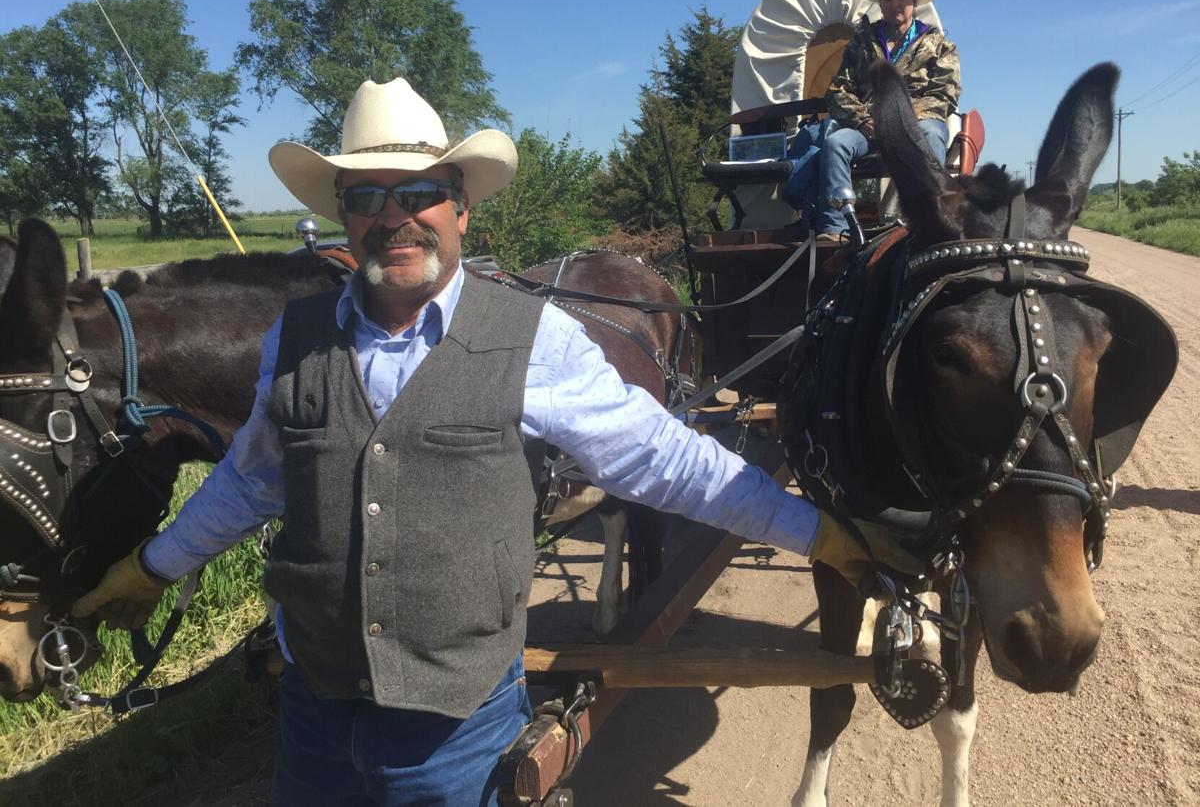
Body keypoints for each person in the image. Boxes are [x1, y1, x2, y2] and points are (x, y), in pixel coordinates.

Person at [72, 78, 915, 806]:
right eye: (367, 196)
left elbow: (666, 459)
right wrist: (152, 567)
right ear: (341, 214)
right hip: (313, 721)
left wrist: (820, 533)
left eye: (419, 192)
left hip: (457, 735)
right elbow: (252, 480)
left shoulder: (534, 339)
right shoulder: (293, 340)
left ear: (461, 205)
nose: (394, 217)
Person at [813, 0, 961, 241]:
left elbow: (944, 93)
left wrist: (901, 121)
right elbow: (837, 89)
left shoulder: (938, 44)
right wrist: (865, 120)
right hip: (868, 126)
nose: (895, 5)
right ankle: (835, 226)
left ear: (913, 1)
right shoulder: (862, 43)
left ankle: (925, 217)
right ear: (880, 4)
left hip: (917, 124)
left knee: (932, 134)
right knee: (836, 143)